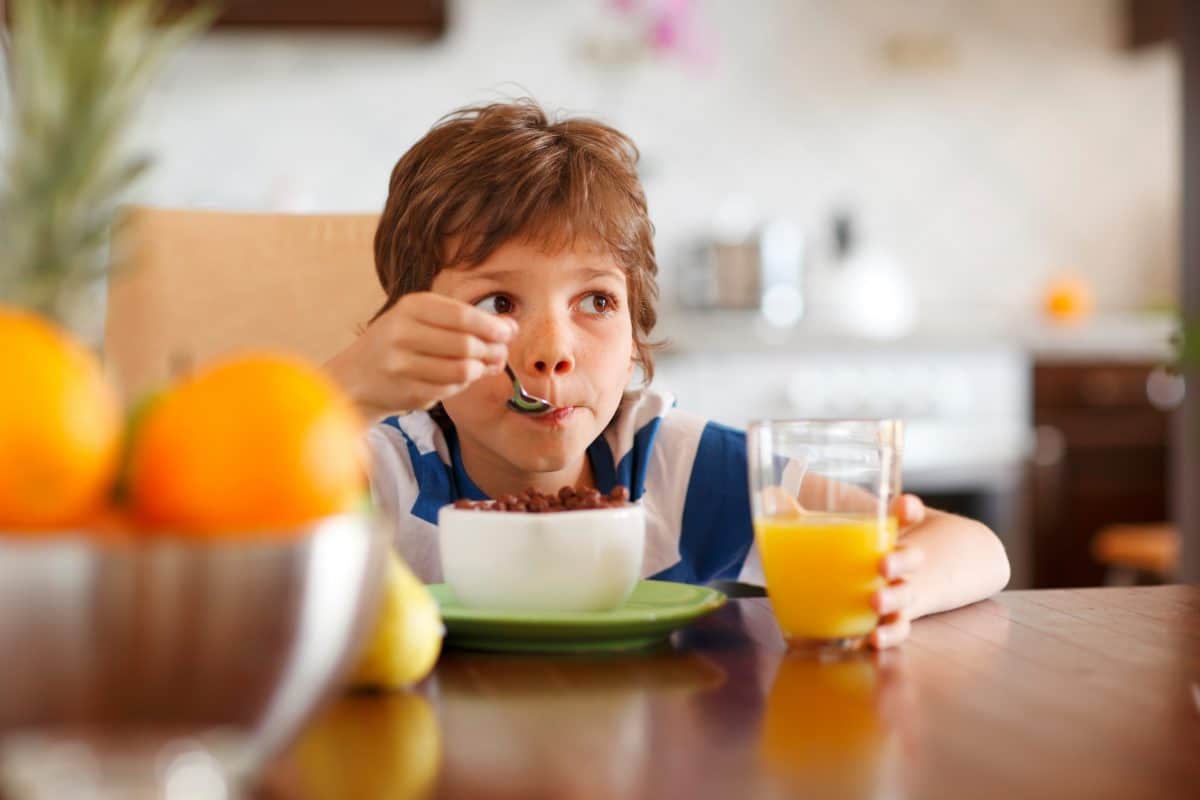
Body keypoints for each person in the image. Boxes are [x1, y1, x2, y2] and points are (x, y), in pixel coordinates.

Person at [324, 99, 1010, 649]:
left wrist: (903, 586)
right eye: (498, 303)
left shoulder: (675, 469)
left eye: (596, 301)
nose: (552, 351)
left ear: (635, 331)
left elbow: (975, 547)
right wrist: (344, 391)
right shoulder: (385, 477)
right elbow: (220, 535)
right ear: (411, 324)